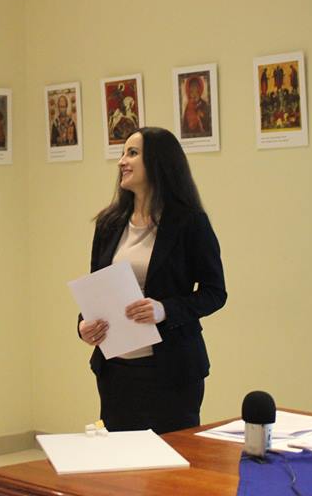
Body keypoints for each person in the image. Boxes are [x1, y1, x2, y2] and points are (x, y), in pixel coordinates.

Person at [78, 127, 226, 434]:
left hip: (171, 371)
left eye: (132, 153)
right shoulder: (109, 224)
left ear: (159, 162)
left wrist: (164, 310)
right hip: (116, 371)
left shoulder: (189, 222)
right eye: (122, 153)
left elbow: (215, 292)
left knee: (170, 460)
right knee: (121, 460)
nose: (122, 161)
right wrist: (84, 325)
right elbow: (97, 288)